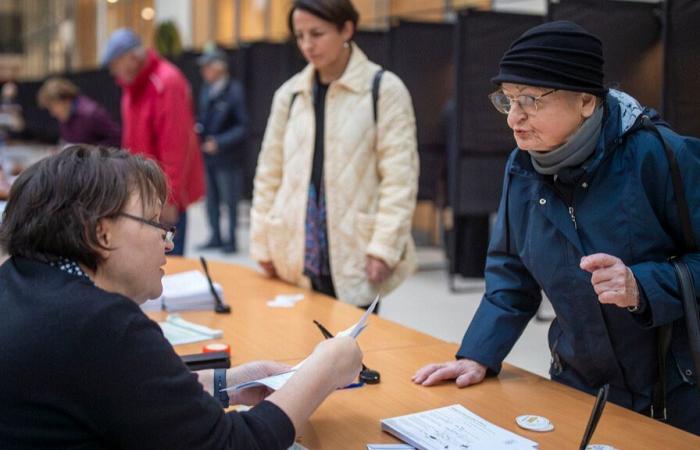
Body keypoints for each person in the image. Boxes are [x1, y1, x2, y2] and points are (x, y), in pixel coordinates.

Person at [413, 21, 700, 435]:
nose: (514, 118)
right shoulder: (523, 167)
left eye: (530, 100)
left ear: (585, 100)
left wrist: (643, 286)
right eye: (508, 100)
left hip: (672, 393)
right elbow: (512, 275)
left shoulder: (661, 157)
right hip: (576, 382)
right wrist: (478, 354)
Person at [0, 145, 363, 449]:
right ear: (102, 233)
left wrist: (230, 384)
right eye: (154, 222)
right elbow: (232, 446)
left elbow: (129, 391)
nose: (168, 240)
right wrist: (324, 369)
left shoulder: (20, 284)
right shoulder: (102, 325)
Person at [250, 0, 419, 308]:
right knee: (294, 347)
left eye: (316, 33)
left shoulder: (384, 89)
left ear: (346, 29)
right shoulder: (289, 95)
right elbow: (269, 174)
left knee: (352, 348)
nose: (307, 45)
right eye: (300, 36)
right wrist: (262, 243)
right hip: (294, 249)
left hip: (354, 249)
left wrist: (384, 246)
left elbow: (400, 178)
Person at [102, 28, 205, 255]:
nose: (113, 72)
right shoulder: (130, 86)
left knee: (168, 268)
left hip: (164, 196)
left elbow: (176, 146)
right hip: (144, 192)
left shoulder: (166, 82)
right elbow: (131, 141)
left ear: (131, 58)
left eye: (115, 64)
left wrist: (170, 199)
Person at [195, 48, 249, 253]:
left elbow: (242, 127)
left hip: (228, 157)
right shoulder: (206, 90)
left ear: (220, 67)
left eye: (208, 67)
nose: (204, 72)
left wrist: (219, 142)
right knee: (211, 200)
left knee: (230, 200)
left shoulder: (234, 91)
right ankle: (215, 236)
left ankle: (231, 240)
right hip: (208, 156)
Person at [37, 77, 121, 147]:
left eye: (53, 107)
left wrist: (88, 151)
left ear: (65, 100)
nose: (53, 113)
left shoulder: (91, 114)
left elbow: (117, 138)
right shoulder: (64, 115)